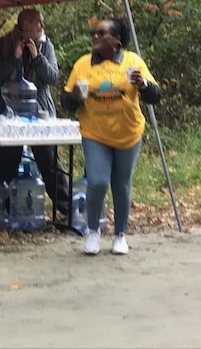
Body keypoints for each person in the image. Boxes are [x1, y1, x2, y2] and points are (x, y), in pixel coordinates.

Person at [61, 17, 162, 255]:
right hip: (95, 133)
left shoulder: (132, 61)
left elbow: (155, 95)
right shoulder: (83, 64)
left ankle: (120, 235)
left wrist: (143, 84)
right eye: (94, 33)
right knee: (97, 182)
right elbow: (66, 103)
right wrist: (74, 96)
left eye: (101, 33)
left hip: (128, 133)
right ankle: (93, 231)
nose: (95, 37)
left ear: (116, 39)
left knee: (121, 184)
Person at [0, 8, 70, 215]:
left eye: (42, 22)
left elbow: (53, 77)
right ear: (25, 25)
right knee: (7, 163)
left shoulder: (46, 45)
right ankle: (5, 211)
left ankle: (66, 209)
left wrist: (37, 57)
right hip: (9, 113)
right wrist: (14, 58)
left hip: (39, 112)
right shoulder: (4, 43)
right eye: (38, 22)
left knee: (50, 163)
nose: (42, 26)